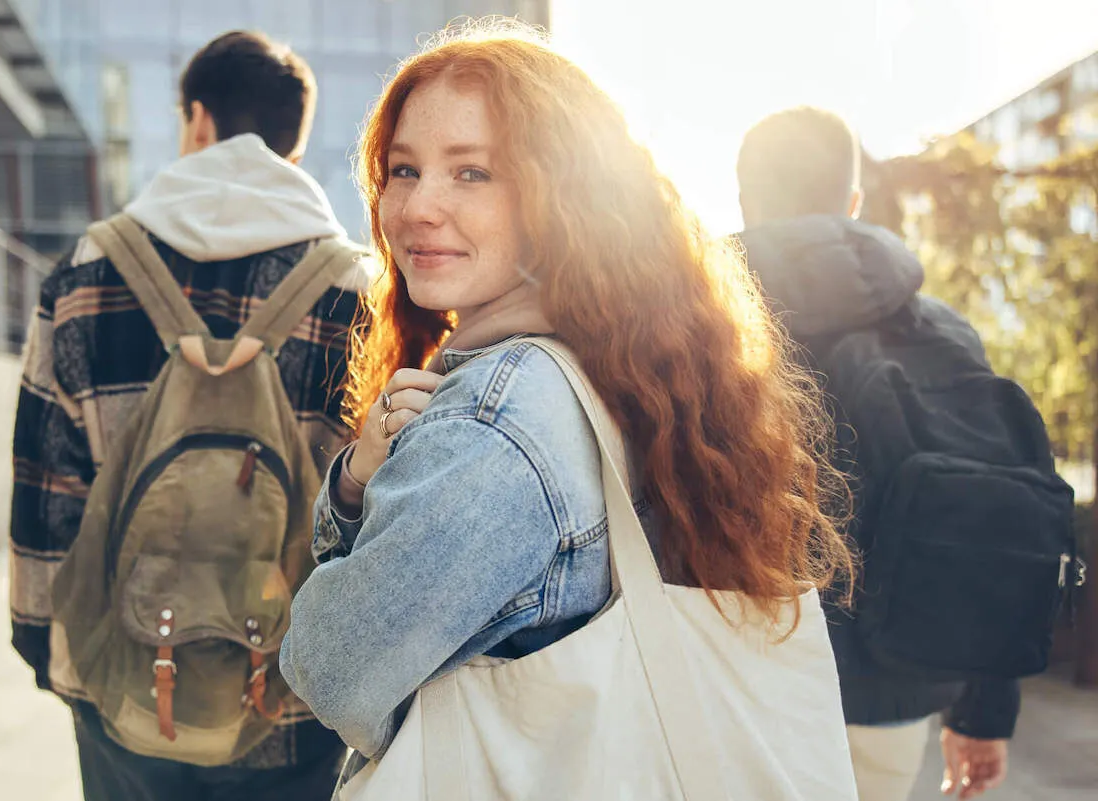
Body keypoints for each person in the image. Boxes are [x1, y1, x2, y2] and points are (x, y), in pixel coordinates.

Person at [278, 21, 856, 798]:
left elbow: (335, 669)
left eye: (473, 173)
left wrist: (351, 495)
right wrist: (360, 479)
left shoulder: (498, 418)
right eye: (403, 169)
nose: (417, 207)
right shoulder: (626, 363)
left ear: (564, 194)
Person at [10, 30, 367, 801]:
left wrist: (47, 648)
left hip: (125, 678)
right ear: (291, 149)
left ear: (197, 121)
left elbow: (47, 485)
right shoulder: (355, 289)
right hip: (289, 696)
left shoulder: (86, 269)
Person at [735, 106, 1020, 801]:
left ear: (743, 198)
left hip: (736, 685)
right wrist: (983, 710)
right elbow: (989, 521)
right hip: (894, 689)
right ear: (853, 205)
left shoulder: (696, 326)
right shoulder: (942, 331)